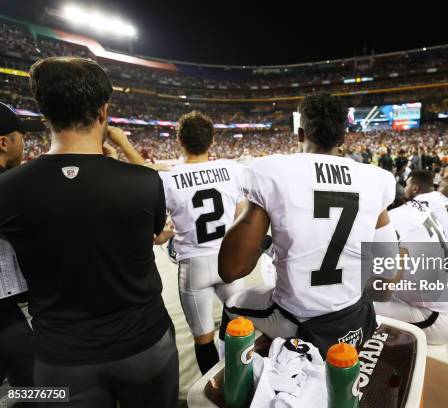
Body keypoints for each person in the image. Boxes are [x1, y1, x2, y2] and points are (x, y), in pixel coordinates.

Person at [0, 57, 178, 408]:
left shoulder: (7, 189)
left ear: (44, 115)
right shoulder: (143, 181)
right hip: (144, 343)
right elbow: (153, 232)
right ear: (103, 111)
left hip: (59, 358)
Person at [217, 93, 398, 354]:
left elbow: (230, 270)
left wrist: (268, 243)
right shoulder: (375, 178)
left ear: (300, 134)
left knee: (233, 303)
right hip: (352, 315)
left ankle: (230, 377)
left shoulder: (271, 171)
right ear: (343, 138)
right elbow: (389, 263)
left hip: (298, 320)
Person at [157, 111, 245, 375]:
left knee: (202, 337)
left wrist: (170, 234)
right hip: (227, 259)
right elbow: (242, 214)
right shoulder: (233, 169)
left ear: (180, 141)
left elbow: (158, 232)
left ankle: (212, 388)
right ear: (212, 140)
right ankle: (239, 382)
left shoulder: (168, 178)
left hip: (194, 265)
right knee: (238, 328)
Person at [376, 199, 448, 345]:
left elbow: (384, 292)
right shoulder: (415, 209)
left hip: (443, 319)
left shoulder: (394, 225)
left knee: (361, 305)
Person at [0, 102, 44, 389]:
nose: (25, 143)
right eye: (20, 137)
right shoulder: (11, 186)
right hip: (4, 311)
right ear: (4, 142)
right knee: (34, 386)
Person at [407, 170, 448, 259]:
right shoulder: (440, 198)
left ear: (415, 188)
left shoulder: (421, 202)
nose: (405, 188)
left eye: (407, 185)